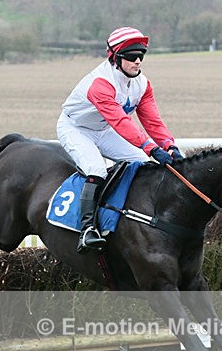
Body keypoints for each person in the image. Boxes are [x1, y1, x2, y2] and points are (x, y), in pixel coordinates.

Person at [57, 27, 183, 253]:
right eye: (131, 57)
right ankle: (87, 230)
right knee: (97, 171)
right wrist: (150, 148)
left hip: (104, 129)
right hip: (76, 128)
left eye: (141, 57)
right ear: (115, 58)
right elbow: (120, 122)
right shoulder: (101, 83)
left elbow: (152, 121)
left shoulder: (142, 84)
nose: (137, 62)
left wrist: (169, 146)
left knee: (142, 164)